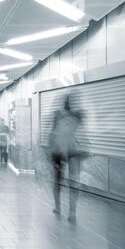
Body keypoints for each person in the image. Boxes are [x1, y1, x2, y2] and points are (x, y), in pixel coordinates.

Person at [48, 94, 84, 223]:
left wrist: (50, 149)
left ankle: (61, 209)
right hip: (69, 150)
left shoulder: (60, 115)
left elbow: (52, 133)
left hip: (62, 151)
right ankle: (71, 212)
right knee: (72, 182)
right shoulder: (77, 115)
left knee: (59, 181)